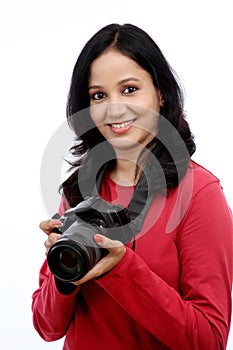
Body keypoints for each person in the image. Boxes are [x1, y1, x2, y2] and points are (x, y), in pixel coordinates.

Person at [32, 23, 233, 350]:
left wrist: (122, 268)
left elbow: (208, 340)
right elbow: (47, 327)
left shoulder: (199, 193)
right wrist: (63, 274)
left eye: (129, 89)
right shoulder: (78, 191)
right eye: (99, 95)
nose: (114, 108)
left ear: (161, 95)